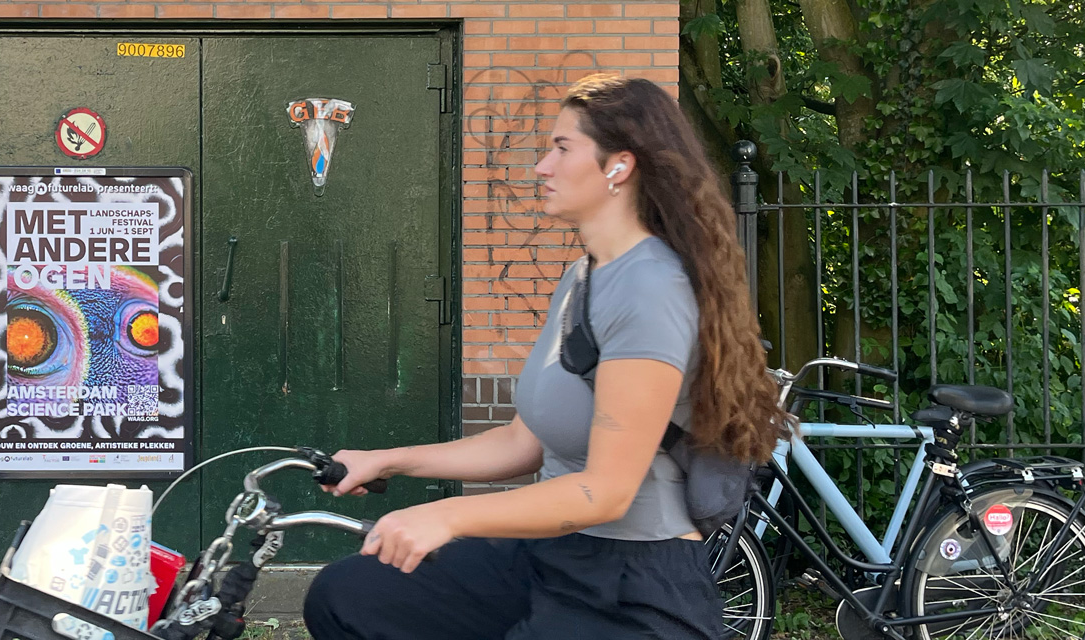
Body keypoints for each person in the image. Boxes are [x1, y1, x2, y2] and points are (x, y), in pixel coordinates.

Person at [301, 74, 788, 639]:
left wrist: (446, 515)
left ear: (618, 166)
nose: (541, 167)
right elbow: (519, 443)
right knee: (349, 597)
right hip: (550, 557)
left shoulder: (650, 288)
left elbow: (607, 490)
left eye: (561, 148)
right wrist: (387, 460)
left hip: (630, 585)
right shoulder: (582, 280)